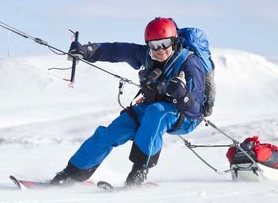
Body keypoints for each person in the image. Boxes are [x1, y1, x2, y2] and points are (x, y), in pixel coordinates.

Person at [50, 17, 207, 187]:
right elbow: (115, 50)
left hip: (184, 115)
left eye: (165, 43)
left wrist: (182, 94)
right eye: (154, 45)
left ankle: (140, 171)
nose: (160, 49)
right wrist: (86, 50)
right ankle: (71, 174)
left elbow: (195, 109)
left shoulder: (190, 64)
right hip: (151, 108)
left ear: (174, 41)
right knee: (112, 132)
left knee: (157, 111)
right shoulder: (146, 55)